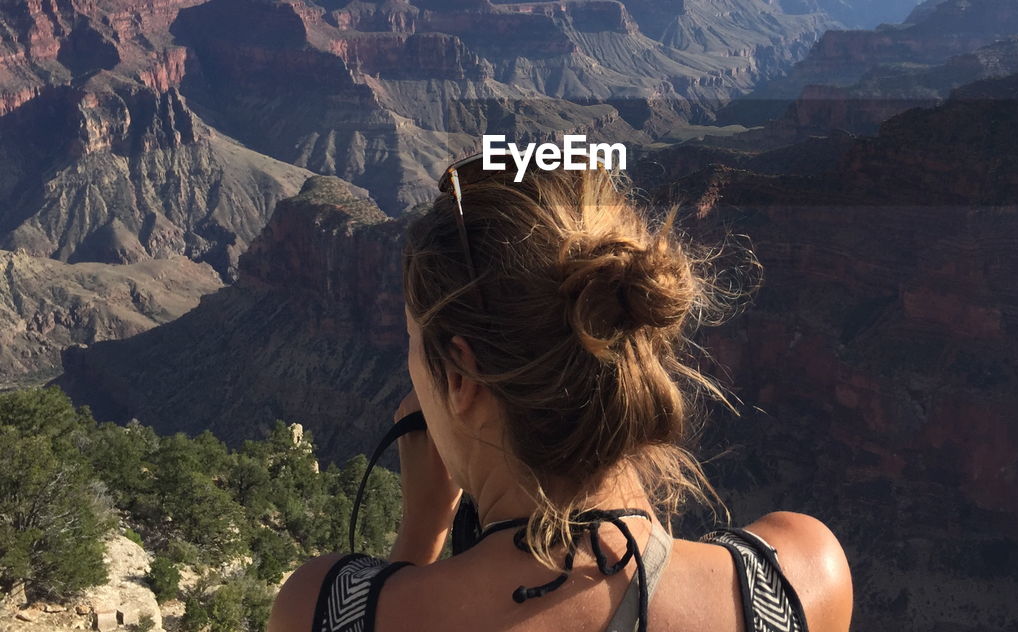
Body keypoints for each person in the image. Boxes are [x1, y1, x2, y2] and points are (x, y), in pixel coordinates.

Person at [269, 153, 854, 632]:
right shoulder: (801, 580)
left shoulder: (315, 608)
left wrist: (421, 530)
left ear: (459, 378)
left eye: (412, 345)